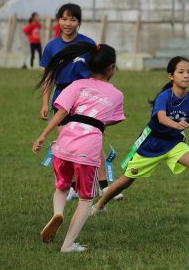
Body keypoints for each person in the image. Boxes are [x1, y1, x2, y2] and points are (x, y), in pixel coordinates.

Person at [93, 56, 189, 226]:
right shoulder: (164, 97)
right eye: (181, 72)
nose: (186, 75)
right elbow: (162, 118)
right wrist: (176, 124)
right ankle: (99, 206)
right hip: (151, 144)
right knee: (126, 180)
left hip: (173, 143)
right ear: (171, 76)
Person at [33, 43, 125, 252]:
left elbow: (62, 112)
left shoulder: (76, 85)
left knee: (62, 186)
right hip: (88, 147)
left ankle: (58, 212)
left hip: (65, 142)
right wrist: (99, 121)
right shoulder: (116, 94)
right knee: (86, 198)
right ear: (111, 68)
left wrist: (43, 135)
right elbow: (116, 118)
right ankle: (68, 244)